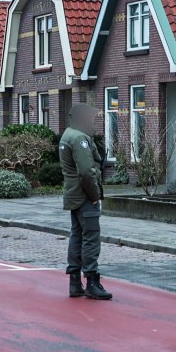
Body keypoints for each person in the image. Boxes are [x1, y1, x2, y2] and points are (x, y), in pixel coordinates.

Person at [59, 103, 112, 300]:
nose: (92, 121)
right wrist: (95, 195)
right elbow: (87, 172)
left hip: (73, 193)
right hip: (84, 195)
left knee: (77, 236)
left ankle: (74, 281)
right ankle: (91, 281)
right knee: (90, 237)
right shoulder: (80, 138)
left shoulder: (67, 135)